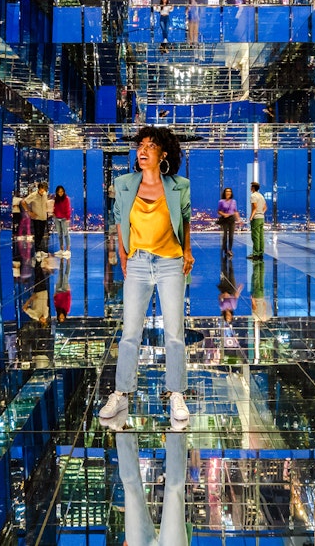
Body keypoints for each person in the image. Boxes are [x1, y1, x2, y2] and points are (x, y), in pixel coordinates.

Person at [98, 126, 194, 427]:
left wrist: (187, 251)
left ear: (163, 154)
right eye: (141, 145)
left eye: (150, 146)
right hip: (138, 263)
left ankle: (176, 392)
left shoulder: (179, 185)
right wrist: (123, 255)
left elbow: (186, 219)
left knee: (174, 333)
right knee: (129, 333)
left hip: (170, 263)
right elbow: (118, 219)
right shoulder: (125, 183)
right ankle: (121, 392)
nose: (143, 150)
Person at [26, 182, 49, 257]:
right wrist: (29, 212)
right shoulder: (33, 195)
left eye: (44, 189)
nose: (43, 190)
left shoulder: (45, 194)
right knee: (37, 234)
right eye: (42, 188)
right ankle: (37, 251)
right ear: (39, 188)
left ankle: (40, 250)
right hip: (36, 217)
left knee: (41, 234)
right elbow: (24, 202)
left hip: (43, 217)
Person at [217, 187, 240, 256]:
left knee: (231, 235)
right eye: (227, 191)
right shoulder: (221, 201)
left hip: (232, 219)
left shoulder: (234, 201)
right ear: (225, 193)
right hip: (225, 219)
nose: (228, 192)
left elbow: (235, 211)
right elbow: (219, 211)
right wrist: (224, 214)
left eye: (229, 191)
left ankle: (230, 249)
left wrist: (238, 219)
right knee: (225, 235)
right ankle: (225, 248)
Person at [248, 182, 267, 260]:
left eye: (251, 187)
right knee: (261, 237)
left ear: (253, 188)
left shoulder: (253, 196)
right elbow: (265, 207)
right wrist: (261, 213)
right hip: (262, 218)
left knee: (255, 236)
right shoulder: (261, 196)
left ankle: (255, 254)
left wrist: (251, 217)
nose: (250, 188)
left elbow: (254, 208)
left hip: (256, 218)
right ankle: (261, 253)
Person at [52, 185, 71, 257]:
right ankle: (61, 249)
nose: (60, 193)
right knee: (59, 235)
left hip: (64, 219)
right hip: (57, 218)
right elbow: (55, 207)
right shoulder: (56, 199)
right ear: (57, 192)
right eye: (59, 192)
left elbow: (68, 209)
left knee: (66, 234)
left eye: (62, 191)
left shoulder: (66, 199)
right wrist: (54, 213)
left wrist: (68, 218)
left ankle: (68, 250)